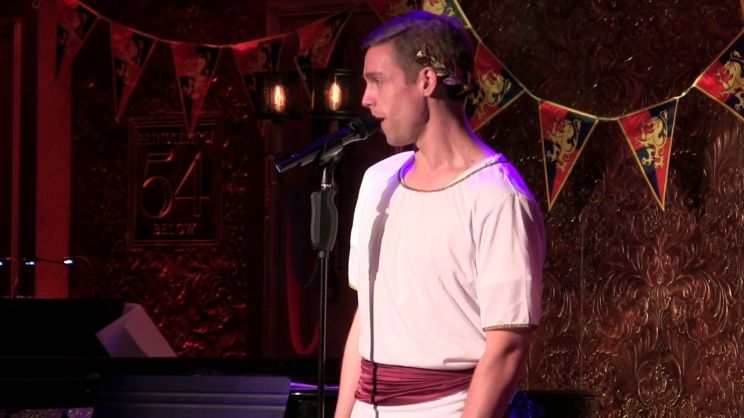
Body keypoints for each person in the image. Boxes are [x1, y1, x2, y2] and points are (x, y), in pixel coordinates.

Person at [334, 10, 546, 418]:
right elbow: (368, 314)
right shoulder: (379, 182)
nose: (365, 98)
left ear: (426, 81)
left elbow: (506, 348)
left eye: (377, 80)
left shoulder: (498, 198)